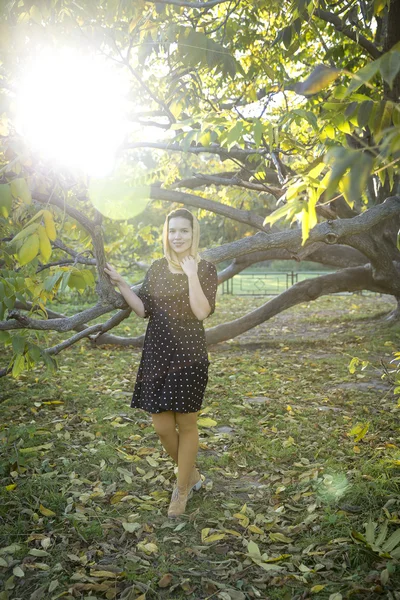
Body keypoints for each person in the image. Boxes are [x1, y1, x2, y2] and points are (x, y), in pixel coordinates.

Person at [104, 208, 218, 518]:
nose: (178, 236)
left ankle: (181, 491)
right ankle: (191, 475)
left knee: (187, 423)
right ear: (166, 234)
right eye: (173, 231)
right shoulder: (156, 268)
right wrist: (122, 283)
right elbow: (144, 310)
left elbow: (201, 312)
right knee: (162, 426)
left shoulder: (205, 269)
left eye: (184, 230)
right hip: (158, 353)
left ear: (194, 234)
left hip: (189, 355)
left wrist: (191, 273)